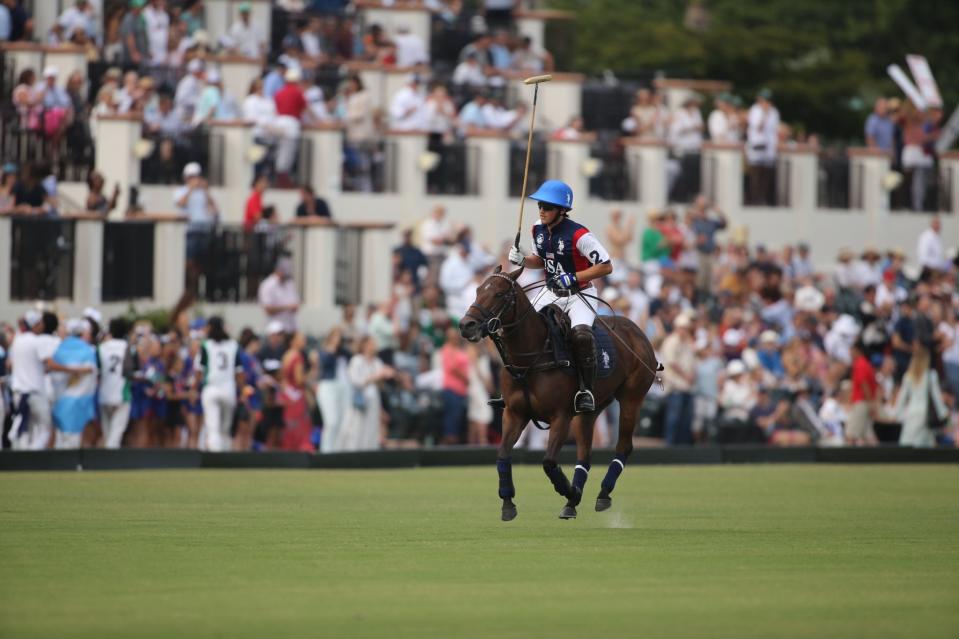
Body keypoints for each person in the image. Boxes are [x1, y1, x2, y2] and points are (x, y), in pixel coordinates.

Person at [507, 179, 613, 413]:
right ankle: (517, 382)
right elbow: (540, 260)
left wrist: (574, 276)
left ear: (562, 210)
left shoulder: (580, 235)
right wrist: (523, 259)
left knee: (582, 335)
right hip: (550, 291)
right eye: (540, 206)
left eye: (548, 207)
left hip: (580, 294)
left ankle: (585, 390)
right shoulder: (538, 229)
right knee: (520, 326)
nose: (542, 211)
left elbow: (606, 266)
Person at [338, 335, 394, 451]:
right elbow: (356, 381)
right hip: (359, 400)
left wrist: (385, 376)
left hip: (373, 399)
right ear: (364, 345)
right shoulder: (356, 360)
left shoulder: (377, 362)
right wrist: (377, 376)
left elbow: (380, 385)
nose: (374, 346)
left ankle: (369, 453)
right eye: (372, 343)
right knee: (356, 428)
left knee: (372, 428)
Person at [194, 316, 242, 452]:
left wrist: (193, 388)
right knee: (225, 428)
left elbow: (199, 370)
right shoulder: (233, 345)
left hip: (211, 389)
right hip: (229, 390)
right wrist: (243, 389)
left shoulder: (206, 345)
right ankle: (225, 455)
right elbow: (239, 372)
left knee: (213, 426)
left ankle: (216, 456)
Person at [895, 345, 948, 448]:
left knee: (909, 441)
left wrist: (897, 413)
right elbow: (936, 397)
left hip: (911, 412)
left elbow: (901, 398)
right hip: (925, 413)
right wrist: (943, 413)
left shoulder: (908, 376)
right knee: (924, 444)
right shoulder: (931, 375)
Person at [98, 317, 134, 448]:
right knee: (116, 433)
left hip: (104, 394)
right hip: (121, 394)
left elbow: (97, 370)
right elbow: (129, 371)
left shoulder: (101, 347)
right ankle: (110, 461)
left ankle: (107, 459)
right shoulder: (127, 347)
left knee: (108, 433)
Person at [257, 255, 299, 333]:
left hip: (291, 327)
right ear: (278, 270)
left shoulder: (290, 283)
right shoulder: (268, 285)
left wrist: (294, 307)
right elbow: (268, 309)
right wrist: (287, 307)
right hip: (275, 329)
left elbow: (296, 304)